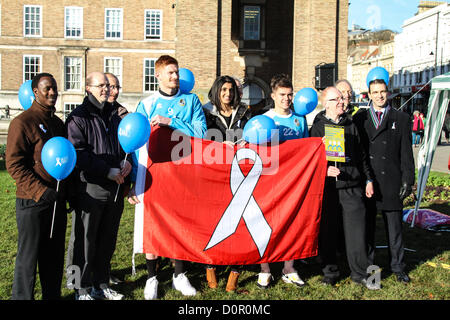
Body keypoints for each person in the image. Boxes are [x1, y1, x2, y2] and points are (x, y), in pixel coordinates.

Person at [127, 55, 207, 300]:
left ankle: (179, 274)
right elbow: (133, 142)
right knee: (153, 223)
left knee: (181, 223)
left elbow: (202, 132)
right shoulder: (147, 104)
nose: (175, 77)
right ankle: (152, 278)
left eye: (177, 72)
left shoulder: (191, 100)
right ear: (158, 76)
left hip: (183, 174)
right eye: (170, 73)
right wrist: (133, 181)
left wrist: (171, 121)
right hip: (154, 175)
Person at [66, 71, 132, 300]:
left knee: (107, 241)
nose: (106, 89)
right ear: (88, 88)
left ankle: (101, 285)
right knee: (83, 242)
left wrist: (128, 165)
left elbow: (126, 146)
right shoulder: (78, 117)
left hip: (114, 188)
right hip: (90, 189)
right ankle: (79, 289)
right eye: (100, 85)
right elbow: (78, 154)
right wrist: (106, 170)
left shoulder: (114, 114)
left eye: (108, 85)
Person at [6, 73, 68, 299]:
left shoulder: (58, 123)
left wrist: (64, 195)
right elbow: (14, 164)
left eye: (54, 88)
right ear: (35, 92)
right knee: (28, 260)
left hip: (56, 202)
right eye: (47, 88)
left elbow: (65, 160)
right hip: (32, 203)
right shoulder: (22, 122)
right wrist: (40, 192)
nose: (52, 92)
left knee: (53, 260)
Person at [310, 86, 378, 290]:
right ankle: (330, 272)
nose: (342, 101)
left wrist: (368, 179)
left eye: (342, 98)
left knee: (357, 232)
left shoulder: (351, 124)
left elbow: (362, 156)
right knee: (328, 232)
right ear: (326, 104)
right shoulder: (317, 126)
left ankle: (362, 273)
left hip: (352, 186)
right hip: (329, 188)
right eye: (336, 99)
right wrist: (324, 168)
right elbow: (311, 159)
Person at [353, 79, 415, 284]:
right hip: (368, 182)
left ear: (388, 93)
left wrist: (408, 179)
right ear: (368, 95)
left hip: (391, 180)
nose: (379, 95)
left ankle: (398, 267)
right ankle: (371, 269)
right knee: (368, 228)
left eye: (382, 92)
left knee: (395, 229)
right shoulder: (360, 118)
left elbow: (406, 153)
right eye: (375, 92)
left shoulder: (402, 118)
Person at [256, 74, 308, 289]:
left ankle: (289, 268)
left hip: (294, 180)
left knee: (292, 223)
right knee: (264, 224)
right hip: (270, 180)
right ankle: (265, 269)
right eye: (282, 95)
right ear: (273, 96)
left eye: (289, 95)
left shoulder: (300, 120)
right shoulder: (265, 119)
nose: (286, 99)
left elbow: (306, 149)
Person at [202, 75, 253, 292]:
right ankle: (210, 267)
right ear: (216, 91)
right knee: (213, 223)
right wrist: (217, 145)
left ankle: (234, 274)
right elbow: (200, 140)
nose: (227, 94)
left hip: (241, 173)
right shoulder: (207, 113)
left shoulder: (245, 112)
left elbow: (255, 134)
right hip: (215, 175)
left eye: (231, 90)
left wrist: (245, 143)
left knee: (240, 224)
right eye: (223, 90)